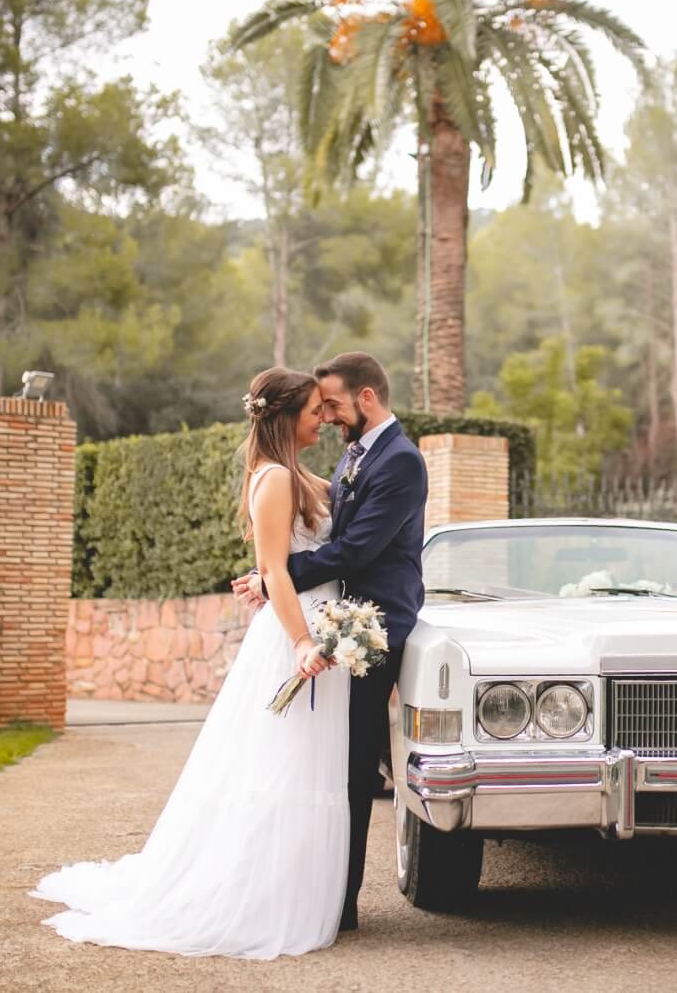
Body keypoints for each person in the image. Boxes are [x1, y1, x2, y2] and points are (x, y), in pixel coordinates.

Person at [32, 368, 349, 958]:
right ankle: (256, 898)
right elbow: (277, 568)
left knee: (301, 769)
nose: (322, 419)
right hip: (295, 637)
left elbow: (308, 555)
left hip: (320, 626)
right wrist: (304, 642)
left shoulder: (298, 475)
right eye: (313, 411)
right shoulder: (275, 478)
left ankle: (287, 889)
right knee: (278, 769)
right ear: (284, 417)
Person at [233, 351, 427, 933]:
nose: (330, 419)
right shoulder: (352, 456)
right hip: (329, 628)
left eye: (334, 406)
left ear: (366, 398)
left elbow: (355, 550)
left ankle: (337, 902)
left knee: (350, 771)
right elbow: (305, 536)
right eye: (319, 410)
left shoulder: (399, 461)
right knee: (326, 767)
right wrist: (273, 576)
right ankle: (325, 897)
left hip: (372, 627)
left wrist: (276, 576)